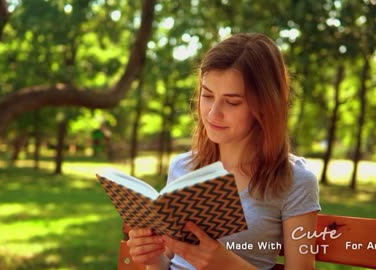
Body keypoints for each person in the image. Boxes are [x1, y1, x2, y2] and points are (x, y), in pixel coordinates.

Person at [126, 33, 321, 270]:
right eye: (207, 96)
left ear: (265, 105)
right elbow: (168, 261)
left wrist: (227, 264)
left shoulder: (294, 182)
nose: (212, 113)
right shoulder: (183, 168)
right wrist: (153, 259)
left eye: (232, 102)